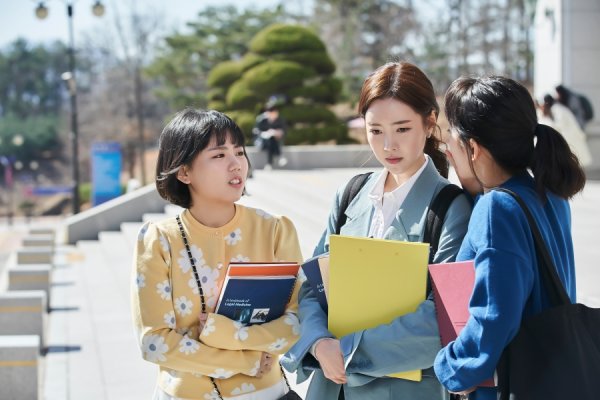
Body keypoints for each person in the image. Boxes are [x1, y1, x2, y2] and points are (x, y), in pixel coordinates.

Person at [282, 61, 472, 400]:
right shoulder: (351, 194)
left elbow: (444, 318)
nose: (388, 146)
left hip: (406, 389)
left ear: (429, 123)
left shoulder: (450, 207)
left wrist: (348, 350)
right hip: (331, 385)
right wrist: (318, 341)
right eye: (375, 131)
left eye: (401, 129)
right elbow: (312, 283)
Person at [131, 109, 303, 400]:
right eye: (219, 155)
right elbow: (154, 342)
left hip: (267, 393)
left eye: (239, 152)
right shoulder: (159, 241)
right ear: (184, 172)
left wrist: (227, 334)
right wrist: (243, 361)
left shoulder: (274, 230)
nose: (236, 164)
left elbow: (299, 319)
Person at [434, 76, 586, 400]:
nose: (448, 150)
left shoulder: (496, 208)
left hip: (509, 382)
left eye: (452, 141)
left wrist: (453, 368)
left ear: (472, 147)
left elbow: (494, 314)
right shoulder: (547, 193)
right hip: (553, 372)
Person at [538, 94, 592, 166]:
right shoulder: (559, 107)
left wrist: (550, 126)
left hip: (570, 136)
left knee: (572, 159)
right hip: (571, 135)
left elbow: (560, 124)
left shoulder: (556, 108)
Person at [253, 97, 288, 169]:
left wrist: (279, 133)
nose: (274, 115)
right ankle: (280, 156)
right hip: (262, 141)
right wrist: (265, 133)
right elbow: (256, 131)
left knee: (272, 140)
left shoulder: (280, 120)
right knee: (271, 140)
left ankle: (269, 163)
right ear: (267, 113)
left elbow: (284, 130)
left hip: (275, 140)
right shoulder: (261, 119)